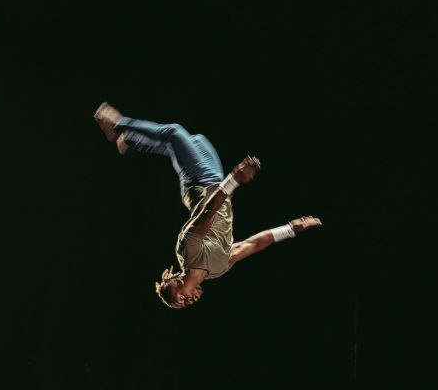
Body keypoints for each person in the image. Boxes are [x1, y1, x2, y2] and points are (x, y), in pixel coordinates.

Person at [93, 103, 322, 308]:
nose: (189, 300)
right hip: (216, 180)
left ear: (177, 282)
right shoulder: (218, 269)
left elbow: (207, 213)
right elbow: (252, 244)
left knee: (174, 132)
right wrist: (291, 229)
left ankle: (118, 124)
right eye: (186, 304)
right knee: (194, 140)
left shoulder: (188, 252)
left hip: (199, 181)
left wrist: (235, 179)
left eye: (181, 298)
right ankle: (130, 141)